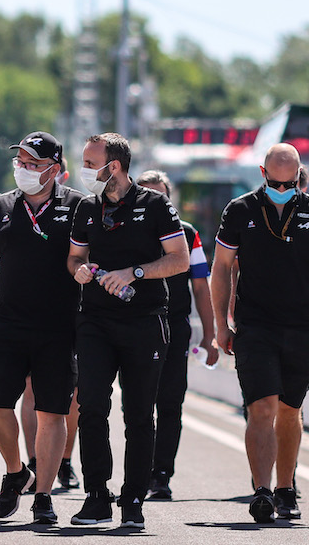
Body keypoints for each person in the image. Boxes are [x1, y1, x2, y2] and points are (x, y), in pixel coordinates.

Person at [210, 143, 309, 523]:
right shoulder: (240, 210)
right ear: (263, 173)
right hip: (254, 327)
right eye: (276, 183)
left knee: (289, 411)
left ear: (300, 176)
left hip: (301, 327)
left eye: (291, 184)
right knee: (262, 407)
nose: (283, 190)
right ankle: (262, 491)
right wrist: (221, 325)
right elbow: (220, 268)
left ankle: (286, 487)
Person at [67, 133, 188, 529]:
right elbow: (74, 258)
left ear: (113, 166)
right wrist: (80, 271)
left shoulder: (156, 205)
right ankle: (97, 495)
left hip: (144, 321)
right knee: (92, 409)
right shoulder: (87, 207)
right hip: (95, 322)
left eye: (90, 162)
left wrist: (134, 272)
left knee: (138, 414)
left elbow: (179, 260)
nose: (85, 169)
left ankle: (133, 499)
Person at [0, 132, 82, 525]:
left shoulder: (78, 206)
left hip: (58, 326)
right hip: (8, 324)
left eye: (34, 163)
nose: (24, 169)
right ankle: (16, 470)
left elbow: (84, 258)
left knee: (52, 411)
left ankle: (44, 495)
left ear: (54, 169)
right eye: (20, 161)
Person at [135, 170, 219, 501]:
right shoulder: (124, 229)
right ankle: (136, 476)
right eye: (147, 195)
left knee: (170, 404)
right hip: (135, 327)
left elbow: (201, 284)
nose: (154, 202)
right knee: (137, 405)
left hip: (175, 327)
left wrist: (210, 334)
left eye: (161, 196)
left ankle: (161, 475)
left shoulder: (187, 233)